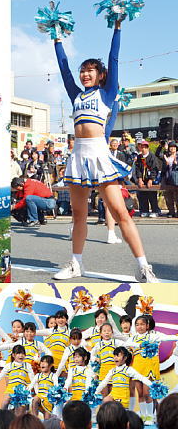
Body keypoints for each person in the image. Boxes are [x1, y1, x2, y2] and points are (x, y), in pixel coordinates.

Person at [52, 19, 157, 282]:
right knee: (79, 215)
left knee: (120, 213)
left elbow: (114, 58)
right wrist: (57, 40)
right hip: (78, 157)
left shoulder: (107, 93)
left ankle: (144, 267)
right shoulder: (75, 95)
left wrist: (118, 27)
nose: (85, 74)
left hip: (99, 155)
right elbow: (64, 69)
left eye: (91, 70)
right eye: (83, 70)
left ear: (101, 75)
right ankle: (76, 264)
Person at [0, 345, 35, 412]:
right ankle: (3, 418)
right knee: (5, 402)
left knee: (19, 412)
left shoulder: (27, 365)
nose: (21, 355)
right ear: (13, 355)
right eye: (18, 353)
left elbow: (33, 380)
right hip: (10, 389)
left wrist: (28, 390)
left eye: (23, 353)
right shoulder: (9, 365)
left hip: (22, 391)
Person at [131, 139, 162, 218]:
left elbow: (155, 168)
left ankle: (155, 210)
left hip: (151, 179)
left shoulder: (152, 156)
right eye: (142, 147)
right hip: (143, 179)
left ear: (148, 148)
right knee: (142, 195)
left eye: (145, 147)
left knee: (152, 196)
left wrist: (151, 179)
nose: (144, 149)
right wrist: (140, 179)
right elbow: (138, 169)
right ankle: (144, 210)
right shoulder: (139, 157)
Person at [161, 141, 178, 217]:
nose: (172, 148)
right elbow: (157, 154)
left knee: (177, 197)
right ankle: (171, 212)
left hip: (176, 180)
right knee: (168, 196)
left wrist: (176, 164)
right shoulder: (166, 156)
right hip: (167, 178)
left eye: (174, 147)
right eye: (171, 147)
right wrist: (161, 146)